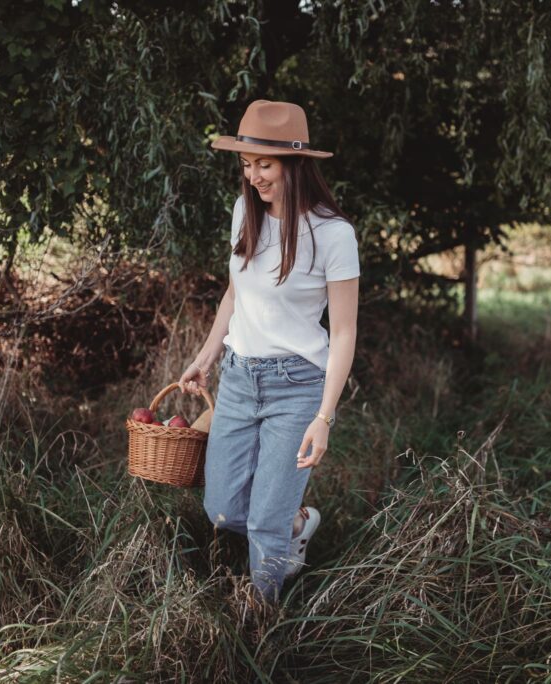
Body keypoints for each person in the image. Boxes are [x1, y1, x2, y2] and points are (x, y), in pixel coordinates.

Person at [176, 100, 360, 605]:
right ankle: (298, 524)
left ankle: (262, 624)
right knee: (221, 510)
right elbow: (236, 294)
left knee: (263, 524)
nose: (253, 176)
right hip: (237, 379)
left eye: (265, 164)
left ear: (294, 164)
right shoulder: (245, 213)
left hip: (297, 387)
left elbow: (343, 333)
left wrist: (325, 417)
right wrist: (206, 356)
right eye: (246, 164)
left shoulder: (333, 235)